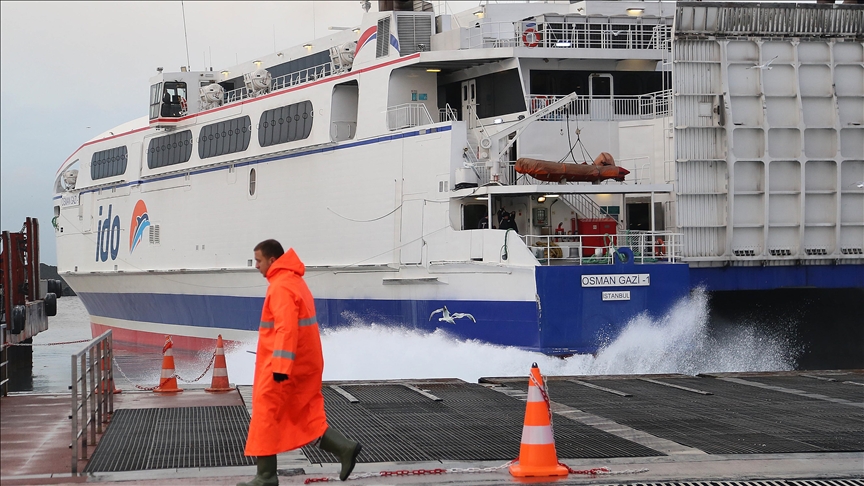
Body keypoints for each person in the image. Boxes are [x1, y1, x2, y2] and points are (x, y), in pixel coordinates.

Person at [240, 239, 362, 486]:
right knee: (302, 415)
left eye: (258, 260)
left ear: (272, 260)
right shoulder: (295, 281)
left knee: (265, 413)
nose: (256, 266)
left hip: (284, 366)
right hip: (304, 363)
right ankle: (345, 448)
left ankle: (265, 476)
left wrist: (281, 369)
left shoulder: (281, 287)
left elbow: (286, 329)